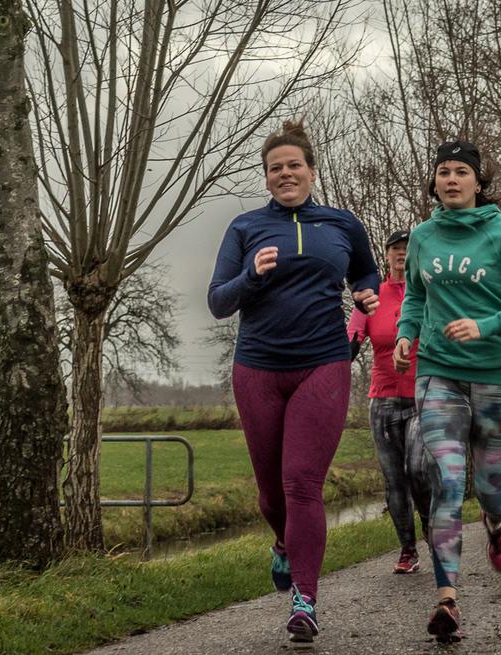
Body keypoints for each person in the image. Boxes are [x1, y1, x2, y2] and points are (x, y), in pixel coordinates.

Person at [207, 120, 380, 644]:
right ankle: (282, 544)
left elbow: (367, 274)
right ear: (266, 178)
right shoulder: (245, 228)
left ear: (311, 170)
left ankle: (304, 599)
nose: (285, 174)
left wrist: (367, 296)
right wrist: (252, 275)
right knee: (269, 493)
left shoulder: (342, 225)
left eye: (294, 165)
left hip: (323, 362)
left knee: (302, 482)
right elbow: (219, 301)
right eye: (275, 168)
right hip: (258, 366)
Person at [392, 141, 501, 642]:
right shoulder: (422, 236)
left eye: (461, 171)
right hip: (438, 372)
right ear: (435, 182)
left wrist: (489, 326)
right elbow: (417, 294)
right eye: (443, 172)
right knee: (445, 479)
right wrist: (406, 333)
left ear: (478, 182)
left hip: (497, 376)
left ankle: (496, 521)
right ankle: (447, 600)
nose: (451, 179)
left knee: (491, 488)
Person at [348, 228, 430, 575]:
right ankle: (408, 550)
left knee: (419, 469)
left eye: (407, 249)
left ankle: (430, 527)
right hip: (382, 400)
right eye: (395, 249)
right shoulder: (373, 297)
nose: (400, 254)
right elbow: (351, 338)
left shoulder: (427, 295)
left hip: (423, 396)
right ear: (386, 255)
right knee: (394, 479)